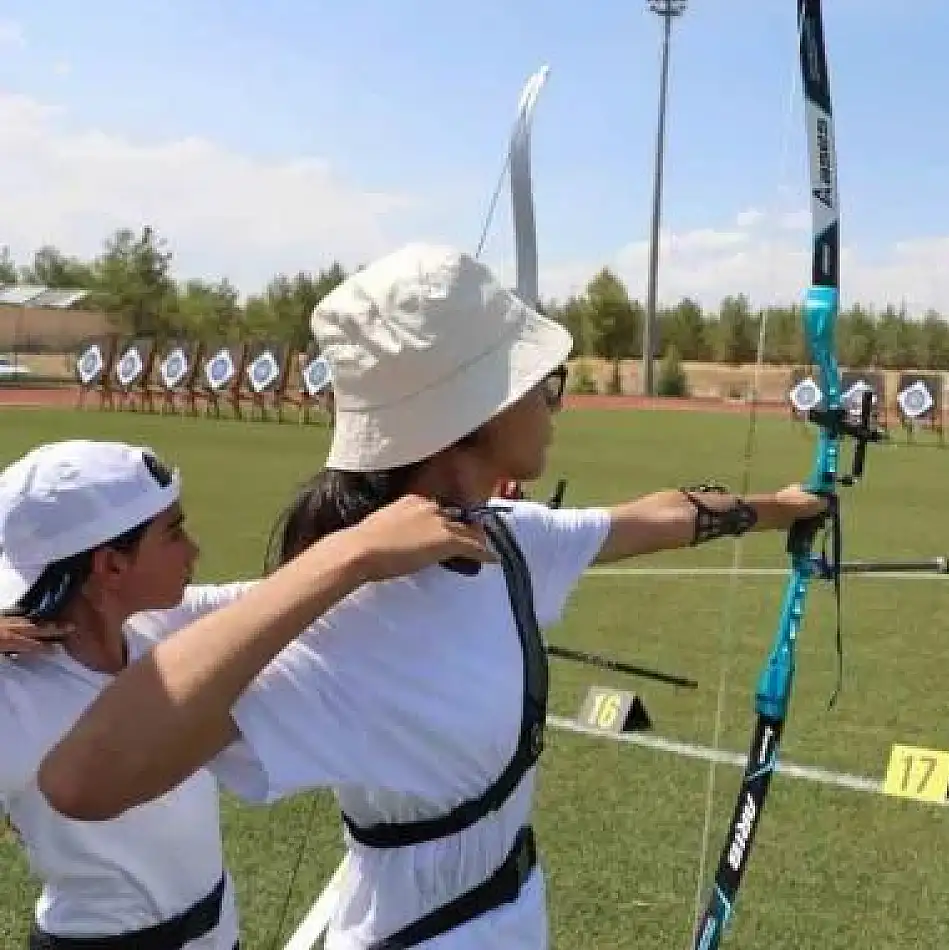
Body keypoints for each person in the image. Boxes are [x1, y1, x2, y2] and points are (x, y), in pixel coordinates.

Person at [36, 243, 829, 948]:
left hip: (511, 910)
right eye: (541, 386)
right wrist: (343, 560)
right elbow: (83, 780)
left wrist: (788, 506)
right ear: (474, 415)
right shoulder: (338, 620)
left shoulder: (510, 536)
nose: (555, 403)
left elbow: (648, 518)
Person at [0, 439, 255, 949]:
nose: (194, 550)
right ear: (110, 567)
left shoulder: (161, 628)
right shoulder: (14, 695)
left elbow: (273, 599)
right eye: (174, 533)